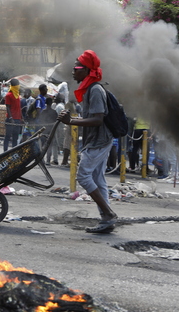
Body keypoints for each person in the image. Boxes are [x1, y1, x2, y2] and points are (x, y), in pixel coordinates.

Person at [58, 50, 118, 234]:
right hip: (95, 139)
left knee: (83, 176)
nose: (73, 72)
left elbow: (98, 119)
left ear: (87, 70)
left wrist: (72, 121)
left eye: (76, 68)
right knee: (98, 180)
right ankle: (107, 219)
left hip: (99, 140)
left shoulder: (96, 90)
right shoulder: (89, 89)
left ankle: (108, 214)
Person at [3, 78, 23, 152]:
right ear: (14, 85)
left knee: (15, 137)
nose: (18, 86)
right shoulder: (9, 95)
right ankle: (5, 152)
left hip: (17, 119)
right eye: (17, 84)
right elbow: (7, 106)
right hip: (10, 119)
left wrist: (21, 117)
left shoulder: (17, 94)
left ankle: (13, 152)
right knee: (7, 136)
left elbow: (19, 107)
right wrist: (11, 117)